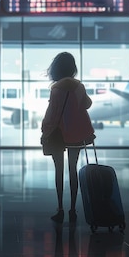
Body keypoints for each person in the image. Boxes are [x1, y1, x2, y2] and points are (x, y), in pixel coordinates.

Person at [41, 52, 94, 223]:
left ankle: (60, 208)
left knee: (59, 171)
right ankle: (73, 209)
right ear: (72, 68)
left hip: (58, 135)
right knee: (73, 169)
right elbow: (86, 104)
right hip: (76, 134)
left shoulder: (56, 89)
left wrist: (45, 131)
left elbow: (52, 114)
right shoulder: (79, 87)